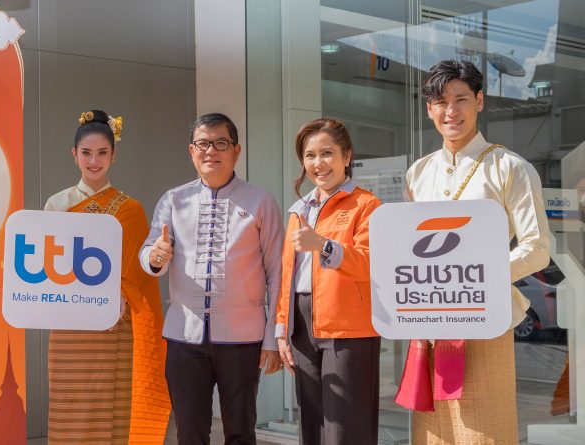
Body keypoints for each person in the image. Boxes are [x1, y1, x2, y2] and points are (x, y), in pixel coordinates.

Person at [398, 59, 551, 444]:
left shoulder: (510, 167)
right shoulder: (418, 173)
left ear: (480, 101)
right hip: (430, 324)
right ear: (429, 109)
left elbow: (536, 249)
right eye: (440, 101)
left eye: (461, 99)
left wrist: (475, 280)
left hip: (486, 322)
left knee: (485, 431)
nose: (450, 111)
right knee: (433, 434)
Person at [139, 113, 284, 444]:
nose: (211, 151)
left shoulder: (261, 202)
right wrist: (155, 257)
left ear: (237, 151)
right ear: (191, 151)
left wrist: (272, 338)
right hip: (184, 337)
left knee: (241, 431)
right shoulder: (174, 200)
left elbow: (278, 272)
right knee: (189, 432)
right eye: (203, 143)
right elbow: (149, 253)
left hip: (243, 338)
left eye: (221, 143)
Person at [45, 110, 170, 444]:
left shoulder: (131, 210)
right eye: (86, 152)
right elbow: (48, 265)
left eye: (102, 152)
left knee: (115, 410)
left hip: (115, 323)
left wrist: (119, 297)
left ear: (113, 155)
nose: (94, 161)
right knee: (68, 405)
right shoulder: (56, 204)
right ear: (74, 154)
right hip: (69, 325)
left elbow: (140, 275)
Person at [274, 118, 381, 444]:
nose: (318, 163)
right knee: (313, 425)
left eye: (327, 153)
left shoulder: (366, 205)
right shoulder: (299, 210)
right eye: (310, 155)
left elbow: (369, 264)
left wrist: (323, 245)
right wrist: (282, 330)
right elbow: (287, 273)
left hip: (350, 328)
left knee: (347, 428)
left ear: (346, 156)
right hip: (302, 326)